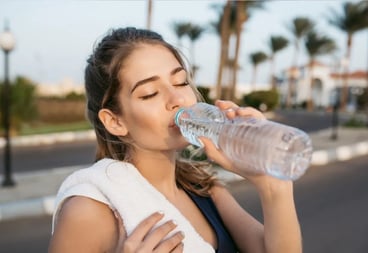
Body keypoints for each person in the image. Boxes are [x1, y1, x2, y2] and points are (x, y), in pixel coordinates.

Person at [48, 27, 302, 253]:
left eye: (180, 82)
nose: (178, 99)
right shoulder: (89, 212)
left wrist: (273, 185)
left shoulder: (206, 189)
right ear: (115, 121)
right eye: (150, 93)